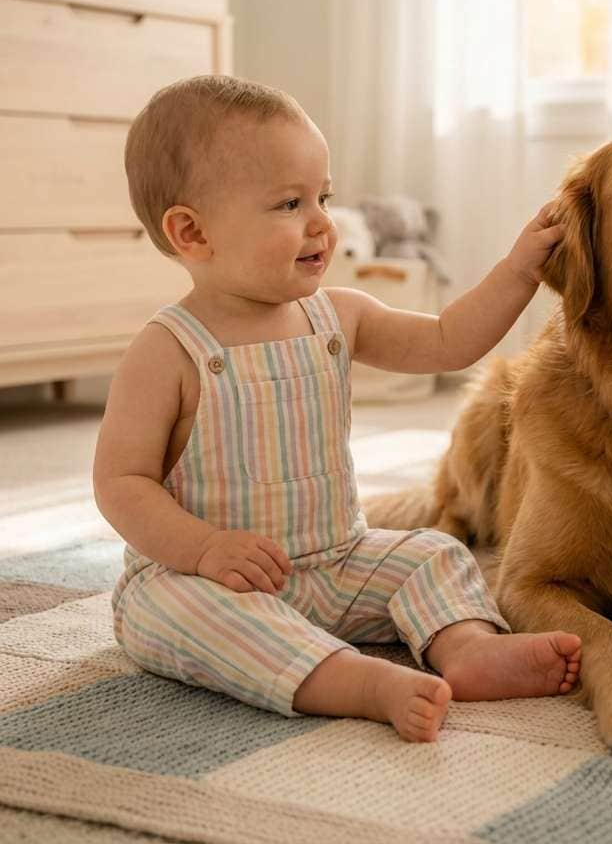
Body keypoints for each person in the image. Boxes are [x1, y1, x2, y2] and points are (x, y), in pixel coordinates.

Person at [94, 75, 581, 743]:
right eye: (291, 202)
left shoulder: (337, 317)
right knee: (183, 613)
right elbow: (121, 483)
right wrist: (204, 550)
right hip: (210, 581)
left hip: (338, 563)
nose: (323, 222)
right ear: (192, 232)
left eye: (323, 195)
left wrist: (520, 269)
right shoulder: (167, 350)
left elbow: (448, 340)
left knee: (434, 553)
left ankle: (465, 647)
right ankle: (355, 682)